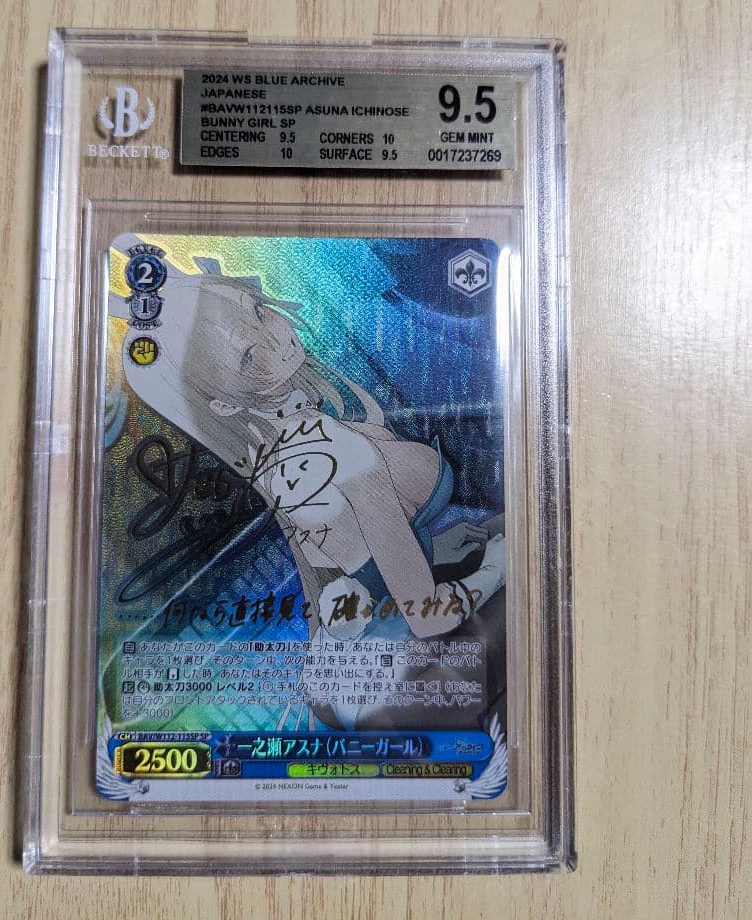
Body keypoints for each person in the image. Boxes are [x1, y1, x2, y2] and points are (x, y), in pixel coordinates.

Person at [114, 238, 507, 729]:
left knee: (507, 536)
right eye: (248, 354)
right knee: (527, 575)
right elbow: (427, 617)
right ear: (224, 404)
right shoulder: (340, 455)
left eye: (258, 310)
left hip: (337, 679)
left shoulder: (275, 460)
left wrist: (438, 549)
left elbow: (344, 561)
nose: (276, 336)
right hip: (390, 689)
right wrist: (495, 568)